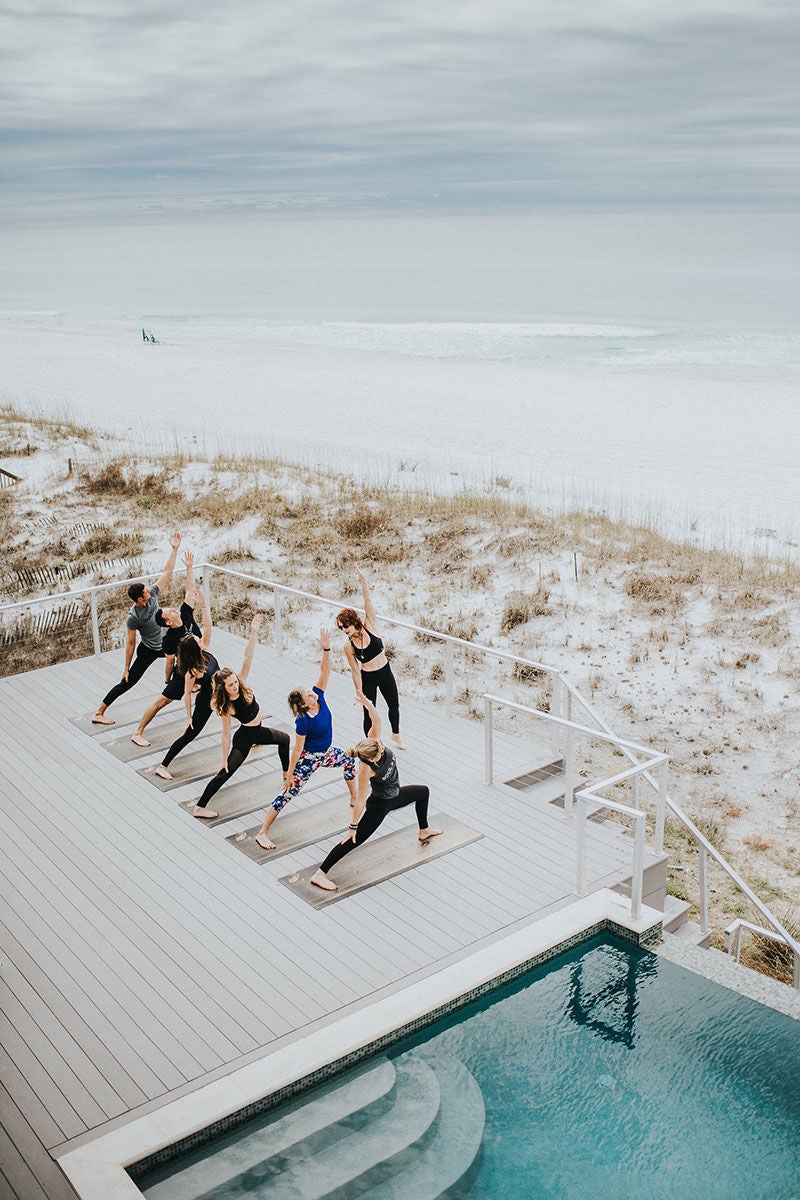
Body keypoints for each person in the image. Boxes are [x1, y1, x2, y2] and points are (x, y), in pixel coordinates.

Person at [309, 698, 441, 892]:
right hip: (379, 805)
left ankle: (424, 831)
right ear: (372, 758)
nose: (382, 748)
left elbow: (376, 720)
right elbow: (361, 799)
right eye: (379, 751)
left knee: (423, 792)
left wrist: (367, 703)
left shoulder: (374, 742)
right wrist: (352, 827)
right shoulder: (366, 769)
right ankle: (319, 874)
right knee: (354, 840)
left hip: (395, 795)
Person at [255, 629, 357, 850]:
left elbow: (325, 670)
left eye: (309, 692)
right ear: (302, 705)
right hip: (309, 759)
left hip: (326, 754)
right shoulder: (303, 721)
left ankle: (354, 797)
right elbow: (297, 749)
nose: (312, 693)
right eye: (307, 695)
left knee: (349, 760)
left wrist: (326, 648)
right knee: (288, 793)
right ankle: (262, 832)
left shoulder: (318, 697)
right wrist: (290, 775)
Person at [193, 613, 290, 820]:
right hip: (245, 738)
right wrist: (223, 759)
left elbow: (248, 657)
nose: (235, 685)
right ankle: (200, 806)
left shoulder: (242, 682)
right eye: (230, 685)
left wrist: (254, 632)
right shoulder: (226, 706)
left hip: (258, 731)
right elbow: (226, 734)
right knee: (226, 773)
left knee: (285, 739)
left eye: (234, 681)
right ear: (223, 688)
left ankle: (285, 774)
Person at [92, 532, 182, 725]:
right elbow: (131, 643)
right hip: (148, 650)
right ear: (139, 599)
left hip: (166, 644)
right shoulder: (133, 618)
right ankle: (99, 712)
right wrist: (125, 668)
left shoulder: (153, 595)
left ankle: (193, 685)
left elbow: (167, 573)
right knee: (128, 682)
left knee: (189, 651)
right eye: (145, 592)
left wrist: (174, 549)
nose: (149, 591)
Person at [130, 551, 207, 746]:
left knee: (225, 687)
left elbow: (189, 591)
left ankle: (249, 725)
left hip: (202, 664)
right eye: (168, 611)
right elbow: (170, 661)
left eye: (171, 608)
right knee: (161, 702)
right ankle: (138, 732)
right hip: (184, 673)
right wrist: (167, 679)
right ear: (168, 621)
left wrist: (189, 568)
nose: (172, 609)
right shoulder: (170, 639)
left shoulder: (185, 614)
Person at [336, 564, 405, 748]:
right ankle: (371, 743)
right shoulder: (348, 646)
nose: (344, 630)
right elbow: (354, 671)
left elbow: (367, 600)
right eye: (341, 628)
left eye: (345, 626)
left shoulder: (370, 625)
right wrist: (359, 691)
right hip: (368, 677)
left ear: (352, 622)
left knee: (394, 704)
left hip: (385, 671)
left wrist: (363, 579)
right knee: (368, 711)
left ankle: (396, 735)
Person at [152, 630, 220, 784]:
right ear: (194, 649)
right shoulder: (192, 671)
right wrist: (189, 717)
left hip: (222, 693)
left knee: (242, 709)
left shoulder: (206, 653)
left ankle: (253, 736)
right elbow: (187, 694)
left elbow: (209, 628)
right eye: (198, 641)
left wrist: (203, 607)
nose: (201, 640)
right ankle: (162, 766)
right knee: (190, 734)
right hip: (207, 702)